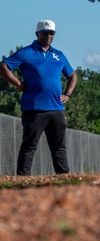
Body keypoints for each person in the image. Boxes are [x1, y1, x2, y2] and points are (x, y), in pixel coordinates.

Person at [0, 20, 78, 175]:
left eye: (51, 33)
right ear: (37, 34)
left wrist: (67, 93)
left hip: (56, 109)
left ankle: (64, 180)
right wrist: (18, 83)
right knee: (29, 146)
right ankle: (23, 181)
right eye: (45, 33)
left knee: (59, 148)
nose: (48, 36)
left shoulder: (59, 55)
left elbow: (72, 75)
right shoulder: (26, 53)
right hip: (34, 109)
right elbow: (3, 67)